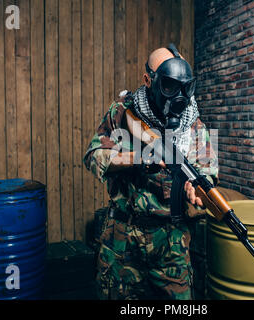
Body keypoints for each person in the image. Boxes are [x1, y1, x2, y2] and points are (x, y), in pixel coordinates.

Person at [83, 44, 218, 300]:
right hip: (122, 237)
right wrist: (138, 158)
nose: (178, 96)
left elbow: (206, 171)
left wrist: (198, 189)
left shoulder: (194, 125)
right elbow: (93, 157)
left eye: (184, 87)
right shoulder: (123, 112)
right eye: (169, 86)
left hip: (172, 243)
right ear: (148, 80)